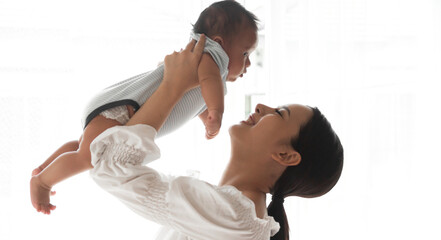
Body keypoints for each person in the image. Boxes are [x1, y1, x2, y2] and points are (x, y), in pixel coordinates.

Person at [88, 34, 344, 239]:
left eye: (279, 113)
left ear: (286, 155)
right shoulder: (234, 216)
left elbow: (112, 169)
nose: (260, 108)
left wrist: (172, 87)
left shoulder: (233, 218)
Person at [30, 0, 258, 214]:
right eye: (245, 53)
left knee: (81, 147)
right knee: (87, 157)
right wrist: (216, 112)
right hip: (121, 111)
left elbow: (193, 99)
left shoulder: (199, 64)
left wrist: (204, 115)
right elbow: (208, 82)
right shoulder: (210, 59)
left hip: (115, 106)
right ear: (219, 43)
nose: (248, 64)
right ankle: (42, 181)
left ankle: (42, 169)